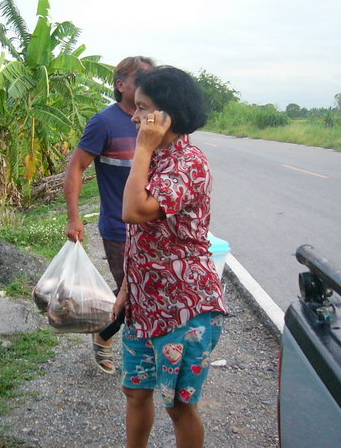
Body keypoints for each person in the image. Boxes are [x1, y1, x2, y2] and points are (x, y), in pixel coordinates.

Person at [115, 66, 228, 448]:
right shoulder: (158, 157)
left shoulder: (188, 162)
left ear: (167, 115)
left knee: (179, 406)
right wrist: (129, 285)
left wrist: (143, 147)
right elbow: (142, 236)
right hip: (146, 305)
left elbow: (134, 211)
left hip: (184, 307)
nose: (134, 116)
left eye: (143, 108)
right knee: (135, 391)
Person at [64, 56, 155, 374]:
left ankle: (132, 343)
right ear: (120, 85)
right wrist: (74, 218)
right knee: (132, 294)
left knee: (150, 291)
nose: (148, 84)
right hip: (120, 229)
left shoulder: (157, 121)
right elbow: (76, 168)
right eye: (140, 79)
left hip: (156, 229)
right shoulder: (104, 122)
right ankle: (106, 337)